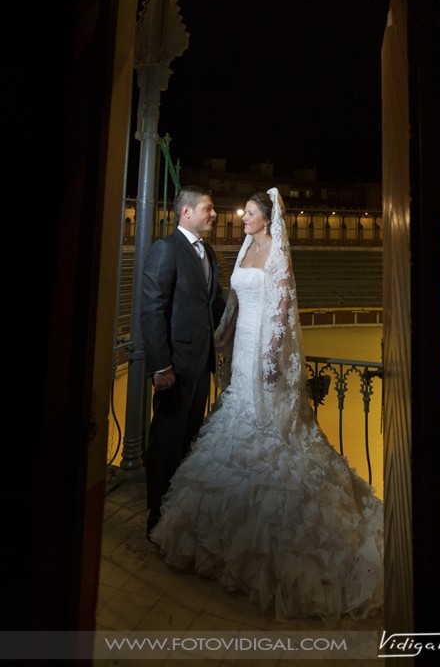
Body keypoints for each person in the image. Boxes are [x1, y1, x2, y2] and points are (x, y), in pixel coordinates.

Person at [150, 187, 383, 623]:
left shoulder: (277, 252)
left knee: (271, 438)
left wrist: (272, 358)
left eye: (250, 213)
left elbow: (280, 310)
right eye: (243, 213)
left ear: (267, 218)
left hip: (263, 355)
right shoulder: (242, 250)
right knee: (233, 427)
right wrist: (223, 335)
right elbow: (235, 301)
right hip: (239, 353)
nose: (242, 217)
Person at [141, 185, 226, 540]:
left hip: (200, 363)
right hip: (175, 366)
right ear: (186, 212)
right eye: (208, 208)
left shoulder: (207, 251)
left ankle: (178, 508)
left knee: (189, 438)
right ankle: (156, 513)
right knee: (166, 441)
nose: (214, 214)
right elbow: (152, 309)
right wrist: (161, 367)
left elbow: (214, 306)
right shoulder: (166, 249)